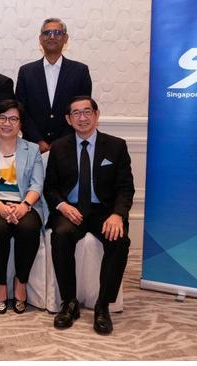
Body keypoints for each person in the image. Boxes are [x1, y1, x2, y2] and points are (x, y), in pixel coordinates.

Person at [43, 96, 134, 335]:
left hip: (103, 211)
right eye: (76, 113)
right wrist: (62, 206)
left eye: (87, 112)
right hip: (71, 209)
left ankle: (103, 305)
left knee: (119, 240)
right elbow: (50, 187)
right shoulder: (59, 147)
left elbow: (125, 188)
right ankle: (69, 302)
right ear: (68, 119)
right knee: (61, 235)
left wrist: (117, 215)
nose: (82, 118)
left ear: (96, 115)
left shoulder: (116, 146)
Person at [0, 99, 44, 314]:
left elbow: (37, 184)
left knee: (28, 228)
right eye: (2, 118)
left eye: (13, 119)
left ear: (20, 123)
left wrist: (24, 206)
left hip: (25, 203)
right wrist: (0, 207)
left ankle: (21, 282)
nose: (7, 123)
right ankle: (0, 283)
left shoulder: (32, 149)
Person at [16, 18, 92, 153]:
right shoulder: (26, 72)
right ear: (40, 39)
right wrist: (38, 140)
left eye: (57, 33)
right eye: (47, 33)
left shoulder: (80, 71)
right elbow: (21, 110)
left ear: (65, 38)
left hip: (69, 145)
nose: (52, 37)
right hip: (32, 146)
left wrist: (61, 142)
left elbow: (82, 110)